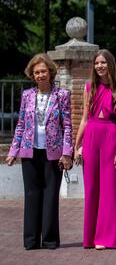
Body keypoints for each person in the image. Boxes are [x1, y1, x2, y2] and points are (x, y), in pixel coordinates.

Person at [6, 53, 73, 250]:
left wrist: (67, 152)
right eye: (36, 72)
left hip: (54, 153)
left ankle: (50, 240)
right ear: (32, 75)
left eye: (43, 71)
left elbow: (67, 125)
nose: (40, 75)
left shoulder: (62, 95)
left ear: (50, 72)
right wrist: (13, 150)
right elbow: (20, 124)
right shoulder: (27, 95)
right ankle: (31, 241)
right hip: (30, 151)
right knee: (32, 195)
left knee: (50, 196)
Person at [74, 49, 116, 250]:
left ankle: (106, 238)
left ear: (110, 64)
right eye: (97, 63)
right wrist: (76, 146)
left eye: (103, 62)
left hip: (111, 135)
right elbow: (84, 119)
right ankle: (91, 237)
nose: (100, 66)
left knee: (110, 188)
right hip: (91, 136)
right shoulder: (89, 87)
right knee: (92, 188)